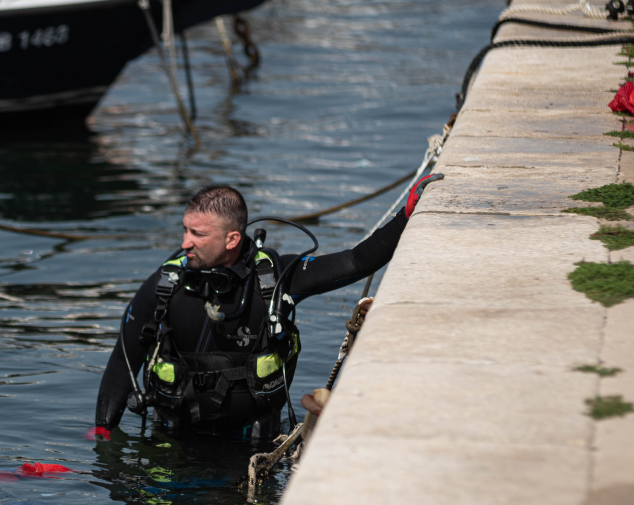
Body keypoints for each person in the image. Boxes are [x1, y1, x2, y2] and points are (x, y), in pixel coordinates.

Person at [93, 179, 438, 441]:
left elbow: (356, 261)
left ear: (231, 239)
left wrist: (406, 214)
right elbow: (122, 364)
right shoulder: (168, 282)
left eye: (197, 233)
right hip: (173, 444)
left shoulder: (276, 279)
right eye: (184, 229)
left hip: (250, 447)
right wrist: (102, 435)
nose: (185, 243)